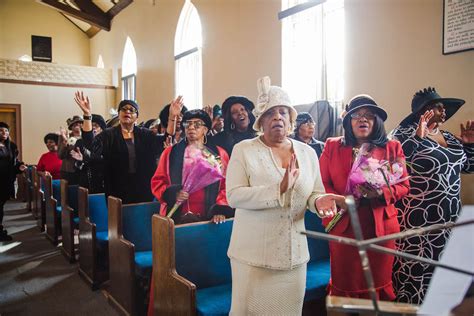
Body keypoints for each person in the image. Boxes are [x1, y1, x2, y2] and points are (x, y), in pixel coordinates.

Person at [226, 77, 345, 315]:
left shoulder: (308, 152)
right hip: (253, 258)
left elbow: (314, 192)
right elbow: (234, 196)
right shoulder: (244, 150)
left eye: (283, 112)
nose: (277, 117)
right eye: (270, 113)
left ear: (291, 119)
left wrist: (318, 201)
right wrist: (278, 188)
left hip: (295, 257)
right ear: (261, 121)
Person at [319, 94, 410, 300]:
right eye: (356, 115)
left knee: (375, 288)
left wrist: (381, 192)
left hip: (380, 229)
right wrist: (338, 199)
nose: (363, 119)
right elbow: (322, 182)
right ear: (348, 122)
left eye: (369, 115)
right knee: (343, 287)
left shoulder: (391, 147)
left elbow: (404, 185)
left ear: (376, 121)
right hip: (344, 226)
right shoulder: (332, 146)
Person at [391, 87, 474, 304]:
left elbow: (467, 166)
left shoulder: (448, 137)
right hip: (419, 221)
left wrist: (469, 144)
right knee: (418, 275)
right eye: (437, 106)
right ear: (424, 111)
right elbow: (393, 167)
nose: (443, 109)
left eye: (443, 106)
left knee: (444, 277)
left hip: (449, 221)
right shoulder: (403, 134)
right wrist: (418, 138)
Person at [74, 91, 174, 204]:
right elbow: (90, 144)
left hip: (143, 189)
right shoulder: (109, 135)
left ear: (137, 117)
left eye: (132, 110)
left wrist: (172, 117)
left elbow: (167, 138)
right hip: (116, 190)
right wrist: (87, 114)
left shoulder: (146, 135)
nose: (127, 111)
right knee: (119, 220)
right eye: (124, 109)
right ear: (119, 114)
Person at [151, 109, 233, 224]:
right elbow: (157, 182)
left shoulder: (219, 154)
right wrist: (174, 194)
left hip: (210, 218)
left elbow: (227, 185)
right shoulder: (171, 153)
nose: (191, 127)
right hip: (175, 216)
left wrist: (220, 209)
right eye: (188, 124)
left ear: (205, 130)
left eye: (197, 124)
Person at [70, 108, 107, 194]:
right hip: (85, 183)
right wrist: (80, 162)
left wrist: (87, 158)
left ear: (102, 129)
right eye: (91, 124)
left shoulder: (106, 142)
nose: (93, 127)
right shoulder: (80, 142)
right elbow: (76, 167)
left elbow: (105, 160)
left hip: (102, 182)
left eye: (96, 125)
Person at [0, 122, 26, 241]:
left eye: (6, 131)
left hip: (6, 181)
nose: (4, 133)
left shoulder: (11, 146)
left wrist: (19, 167)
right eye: (1, 130)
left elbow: (14, 163)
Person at [58, 115, 83, 184]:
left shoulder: (87, 137)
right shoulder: (64, 137)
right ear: (71, 127)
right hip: (68, 172)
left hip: (83, 171)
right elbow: (60, 156)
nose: (78, 125)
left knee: (82, 192)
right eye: (75, 124)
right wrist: (65, 141)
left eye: (80, 123)